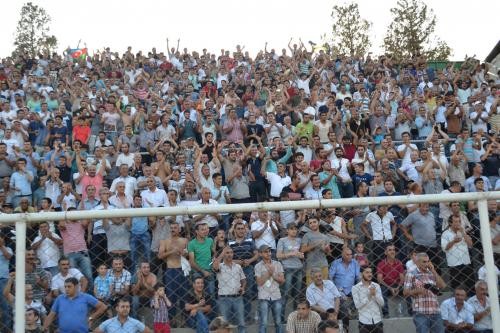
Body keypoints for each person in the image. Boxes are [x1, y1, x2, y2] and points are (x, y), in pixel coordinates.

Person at [43, 277, 107, 333]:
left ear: (76, 287)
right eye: (65, 287)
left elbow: (103, 307)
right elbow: (51, 315)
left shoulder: (85, 297)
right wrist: (44, 328)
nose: (67, 289)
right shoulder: (60, 298)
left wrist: (91, 318)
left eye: (69, 286)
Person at [403, 253, 447, 333]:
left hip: (435, 311)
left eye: (428, 261)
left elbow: (443, 286)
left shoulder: (431, 273)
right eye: (424, 262)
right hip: (420, 312)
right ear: (417, 262)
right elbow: (405, 292)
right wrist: (416, 291)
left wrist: (433, 271)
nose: (426, 264)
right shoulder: (411, 273)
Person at [213, 246, 246, 333]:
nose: (229, 254)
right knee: (224, 323)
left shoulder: (238, 266)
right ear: (224, 254)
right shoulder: (220, 266)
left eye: (231, 252)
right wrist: (222, 253)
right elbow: (215, 266)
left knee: (241, 323)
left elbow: (243, 279)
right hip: (224, 298)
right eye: (227, 253)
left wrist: (243, 287)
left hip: (238, 298)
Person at [255, 244, 285, 333]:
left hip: (276, 296)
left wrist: (273, 275)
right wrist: (268, 273)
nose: (268, 253)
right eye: (265, 252)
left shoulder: (278, 264)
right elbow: (259, 282)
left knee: (278, 322)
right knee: (263, 323)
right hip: (263, 296)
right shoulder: (258, 266)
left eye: (269, 251)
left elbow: (282, 280)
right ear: (260, 254)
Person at [376, 244, 406, 317]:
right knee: (382, 291)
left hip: (397, 285)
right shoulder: (381, 264)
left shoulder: (398, 263)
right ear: (385, 252)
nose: (392, 252)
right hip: (386, 285)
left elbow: (402, 278)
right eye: (390, 250)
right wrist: (390, 288)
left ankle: (412, 312)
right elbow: (379, 279)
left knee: (407, 289)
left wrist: (398, 288)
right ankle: (386, 314)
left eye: (393, 250)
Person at [352, 266, 384, 333]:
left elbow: (382, 303)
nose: (370, 274)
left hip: (377, 320)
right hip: (364, 321)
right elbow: (357, 306)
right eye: (367, 272)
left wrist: (375, 295)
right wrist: (368, 297)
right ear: (361, 274)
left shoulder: (376, 286)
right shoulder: (355, 288)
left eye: (371, 272)